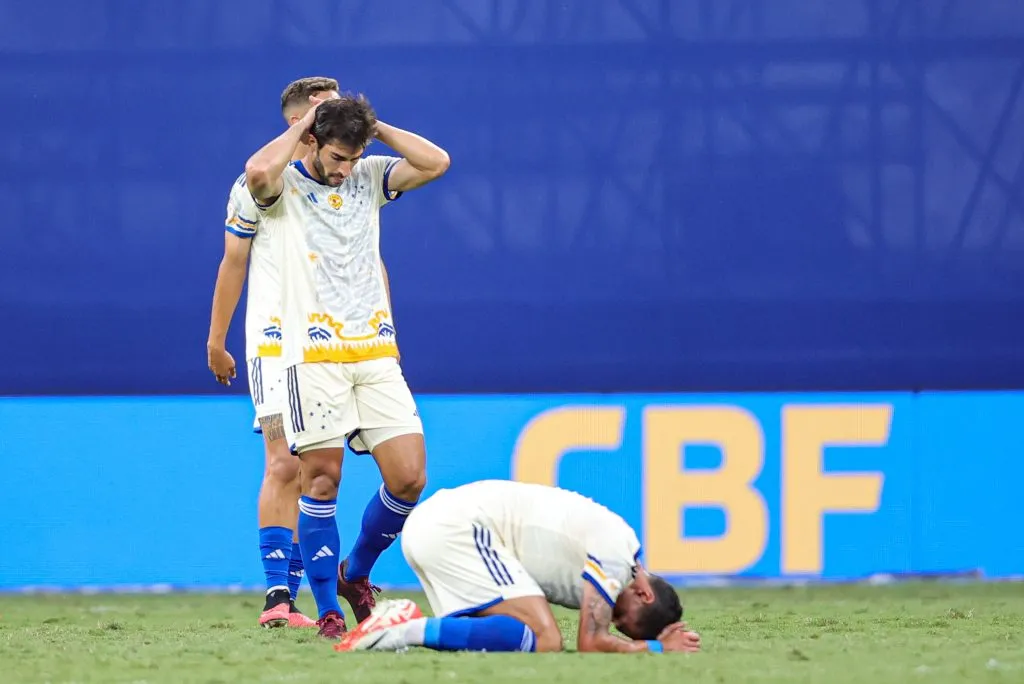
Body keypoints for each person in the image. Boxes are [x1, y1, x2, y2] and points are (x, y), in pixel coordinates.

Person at [244, 93, 450, 639]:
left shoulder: (368, 174)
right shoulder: (282, 186)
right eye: (338, 157)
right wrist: (308, 123)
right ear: (313, 141)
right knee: (321, 481)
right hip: (310, 356)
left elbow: (436, 162)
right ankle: (328, 610)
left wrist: (373, 129)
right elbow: (257, 170)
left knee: (409, 478)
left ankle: (354, 572)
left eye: (354, 158)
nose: (346, 170)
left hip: (376, 353)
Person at [207, 77, 399, 628]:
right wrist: (217, 339)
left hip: (340, 344)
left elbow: (363, 260)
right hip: (276, 341)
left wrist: (387, 324)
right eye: (322, 110)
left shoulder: (348, 181)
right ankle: (278, 599)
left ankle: (298, 593)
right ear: (304, 124)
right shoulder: (263, 182)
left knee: (318, 470)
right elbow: (233, 262)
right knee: (284, 463)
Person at [334, 480, 702, 654]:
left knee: (503, 639)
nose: (611, 617)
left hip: (442, 525)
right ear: (644, 592)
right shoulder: (618, 556)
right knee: (546, 639)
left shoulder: (615, 556)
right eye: (623, 615)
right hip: (459, 526)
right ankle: (404, 626)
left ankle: (403, 630)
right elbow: (590, 643)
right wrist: (656, 650)